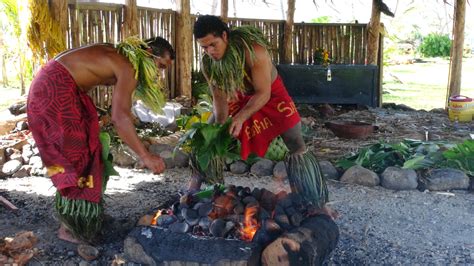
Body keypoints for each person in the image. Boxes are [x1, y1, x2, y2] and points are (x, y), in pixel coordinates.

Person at [27, 36, 175, 243]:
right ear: (149, 53)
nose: (159, 73)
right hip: (52, 91)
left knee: (87, 151)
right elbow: (119, 117)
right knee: (73, 158)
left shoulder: (118, 55)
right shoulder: (128, 66)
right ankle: (70, 226)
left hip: (56, 86)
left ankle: (85, 216)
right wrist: (145, 155)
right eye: (160, 66)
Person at [191, 15, 338, 220]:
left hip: (270, 94)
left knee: (296, 143)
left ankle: (315, 201)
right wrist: (220, 127)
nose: (210, 52)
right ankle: (191, 191)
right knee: (207, 134)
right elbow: (219, 102)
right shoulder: (210, 63)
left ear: (225, 36)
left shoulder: (254, 52)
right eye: (204, 48)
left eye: (213, 45)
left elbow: (263, 93)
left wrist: (241, 118)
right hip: (241, 96)